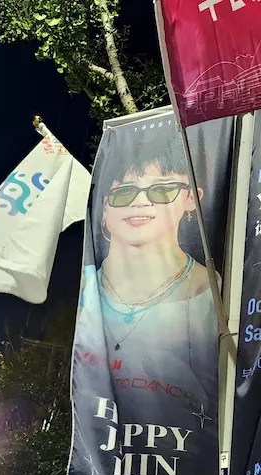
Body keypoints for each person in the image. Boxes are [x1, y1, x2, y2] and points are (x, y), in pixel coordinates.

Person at [74, 131, 218, 411]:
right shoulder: (82, 294)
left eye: (162, 189)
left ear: (192, 199)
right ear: (104, 206)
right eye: (124, 191)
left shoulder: (216, 296)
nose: (140, 202)